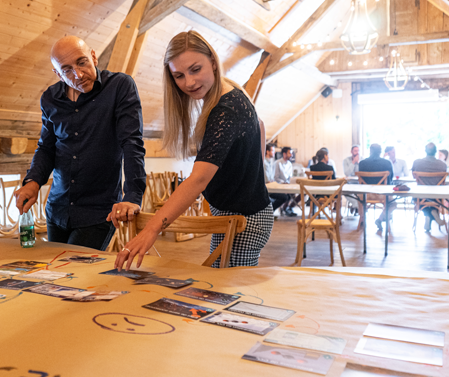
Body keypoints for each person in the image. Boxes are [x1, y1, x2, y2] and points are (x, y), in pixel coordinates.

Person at [114, 30, 274, 270]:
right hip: (231, 213)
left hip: (246, 219)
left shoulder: (226, 109)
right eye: (178, 76)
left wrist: (151, 230)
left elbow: (198, 178)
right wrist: (253, 174)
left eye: (195, 69)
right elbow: (259, 125)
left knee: (230, 292)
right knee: (219, 287)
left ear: (212, 60)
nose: (188, 82)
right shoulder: (229, 89)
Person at [14, 36, 146, 251]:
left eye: (82, 62)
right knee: (54, 277)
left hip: (98, 211)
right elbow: (46, 147)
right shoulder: (50, 98)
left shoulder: (120, 86)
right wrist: (33, 181)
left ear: (93, 57)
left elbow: (132, 143)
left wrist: (132, 196)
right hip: (57, 208)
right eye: (67, 70)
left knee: (75, 274)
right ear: (58, 74)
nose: (78, 74)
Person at [358, 143, 394, 232]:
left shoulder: (362, 163)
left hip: (365, 195)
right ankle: (380, 218)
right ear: (380, 152)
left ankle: (362, 218)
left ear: (370, 151)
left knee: (359, 197)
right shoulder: (387, 163)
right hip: (382, 195)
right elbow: (390, 180)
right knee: (393, 203)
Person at [412, 143, 448, 232]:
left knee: (416, 199)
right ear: (436, 151)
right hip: (437, 197)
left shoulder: (417, 163)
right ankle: (432, 212)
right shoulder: (442, 165)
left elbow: (413, 176)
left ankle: (427, 215)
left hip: (421, 196)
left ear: (425, 150)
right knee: (432, 199)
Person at [273, 147, 298, 216]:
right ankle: (284, 208)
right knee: (287, 195)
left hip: (287, 185)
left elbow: (290, 177)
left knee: (295, 193)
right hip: (278, 185)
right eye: (290, 153)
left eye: (292, 153)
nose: (292, 155)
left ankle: (286, 208)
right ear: (284, 154)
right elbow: (275, 177)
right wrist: (283, 183)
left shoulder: (290, 164)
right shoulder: (278, 163)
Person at [343, 145, 361, 215]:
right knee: (344, 190)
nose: (357, 152)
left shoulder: (362, 160)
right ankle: (357, 205)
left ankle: (356, 206)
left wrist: (358, 163)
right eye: (355, 151)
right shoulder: (346, 160)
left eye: (358, 151)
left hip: (359, 182)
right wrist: (353, 162)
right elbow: (347, 173)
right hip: (350, 182)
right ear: (351, 152)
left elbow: (362, 172)